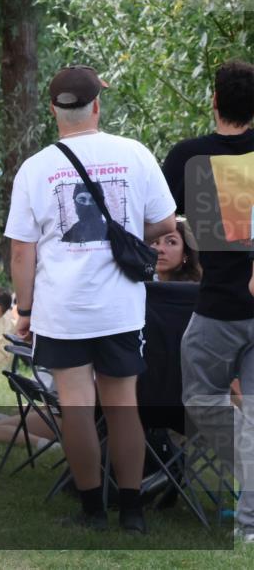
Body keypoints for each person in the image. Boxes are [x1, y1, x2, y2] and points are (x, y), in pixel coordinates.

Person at [6, 65, 176, 533]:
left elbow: (22, 250)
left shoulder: (36, 167)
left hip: (63, 309)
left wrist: (25, 309)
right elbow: (164, 226)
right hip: (120, 305)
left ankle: (91, 511)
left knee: (76, 406)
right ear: (97, 105)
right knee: (123, 406)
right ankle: (134, 512)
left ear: (53, 112)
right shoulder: (135, 154)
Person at [161, 60, 254, 543]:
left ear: (214, 101)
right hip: (231, 300)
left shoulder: (188, 157)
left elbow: (155, 218)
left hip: (221, 305)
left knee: (199, 398)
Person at [150, 217, 202, 283]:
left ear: (185, 254)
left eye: (171, 242)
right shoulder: (139, 285)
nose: (160, 249)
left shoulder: (195, 289)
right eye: (155, 242)